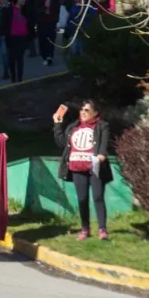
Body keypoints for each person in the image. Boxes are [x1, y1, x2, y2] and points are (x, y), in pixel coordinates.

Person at [53, 101, 113, 240]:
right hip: (77, 168)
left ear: (95, 113)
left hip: (95, 167)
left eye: (86, 110)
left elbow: (104, 144)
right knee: (82, 199)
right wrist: (57, 124)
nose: (83, 112)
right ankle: (85, 229)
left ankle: (102, 230)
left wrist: (101, 156)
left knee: (98, 197)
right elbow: (62, 143)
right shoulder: (74, 127)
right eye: (81, 110)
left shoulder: (102, 126)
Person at [8, 0, 30, 83]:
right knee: (12, 59)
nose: (24, 0)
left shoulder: (25, 10)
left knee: (20, 58)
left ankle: (20, 78)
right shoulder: (11, 10)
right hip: (12, 37)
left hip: (22, 38)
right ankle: (13, 77)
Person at [38, 0, 60, 66]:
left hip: (52, 21)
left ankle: (50, 56)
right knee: (42, 40)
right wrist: (43, 10)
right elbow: (36, 7)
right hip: (42, 22)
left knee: (51, 39)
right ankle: (45, 56)